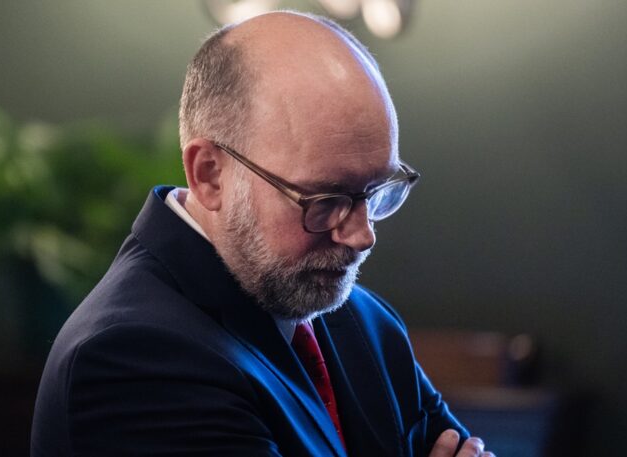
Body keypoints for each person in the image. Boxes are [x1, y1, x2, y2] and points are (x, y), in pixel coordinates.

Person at [31, 11, 493, 457]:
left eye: (377, 192)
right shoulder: (132, 359)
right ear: (210, 175)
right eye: (325, 200)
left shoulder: (365, 321)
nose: (362, 236)